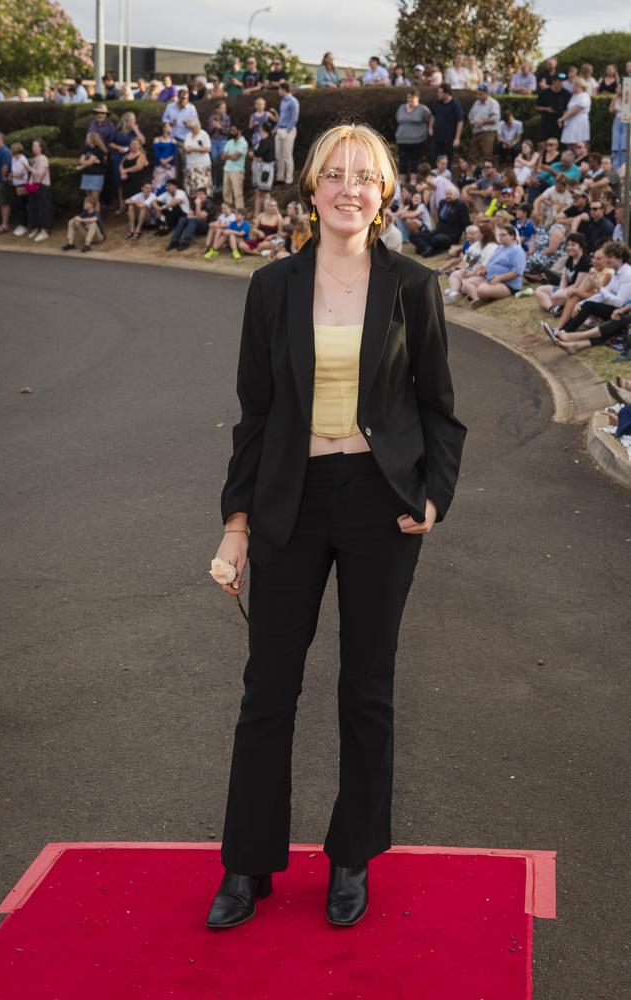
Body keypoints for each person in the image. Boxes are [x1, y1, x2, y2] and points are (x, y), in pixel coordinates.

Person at [206, 121, 466, 931]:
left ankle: (351, 856)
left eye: (365, 176)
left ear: (384, 194)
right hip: (290, 496)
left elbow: (439, 409)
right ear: (312, 187)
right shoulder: (272, 285)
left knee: (368, 684)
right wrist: (236, 524)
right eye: (334, 174)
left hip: (379, 501)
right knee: (268, 688)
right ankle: (248, 865)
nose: (349, 188)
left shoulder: (413, 287)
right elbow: (255, 415)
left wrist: (433, 495)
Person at [462, 224, 526, 307]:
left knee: (481, 289)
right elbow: (491, 263)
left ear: (512, 236)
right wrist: (484, 269)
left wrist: (500, 278)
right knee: (467, 283)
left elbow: (517, 272)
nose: (500, 237)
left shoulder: (517, 251)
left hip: (507, 284)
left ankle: (481, 296)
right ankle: (477, 300)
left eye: (503, 235)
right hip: (490, 278)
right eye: (500, 235)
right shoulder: (500, 248)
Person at [535, 232, 589, 313]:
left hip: (575, 292)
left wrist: (558, 294)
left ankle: (558, 304)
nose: (569, 247)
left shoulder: (585, 261)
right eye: (568, 245)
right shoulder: (570, 259)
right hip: (566, 290)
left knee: (555, 296)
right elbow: (563, 280)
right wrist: (559, 291)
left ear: (581, 246)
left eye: (573, 245)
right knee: (539, 290)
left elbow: (577, 285)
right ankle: (553, 309)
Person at [395, 89, 430, 184]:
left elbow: (430, 120)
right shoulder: (401, 108)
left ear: (417, 99)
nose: (410, 100)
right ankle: (401, 182)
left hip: (417, 140)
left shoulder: (423, 109)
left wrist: (428, 131)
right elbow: (398, 119)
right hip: (402, 140)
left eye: (412, 98)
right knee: (403, 161)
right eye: (409, 98)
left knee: (414, 160)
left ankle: (413, 181)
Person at [269, 82, 299, 185]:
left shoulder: (293, 101)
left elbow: (294, 118)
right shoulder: (282, 101)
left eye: (279, 89)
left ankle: (289, 179)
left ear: (284, 90)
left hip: (288, 131)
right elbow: (282, 118)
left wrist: (287, 130)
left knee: (287, 156)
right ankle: (280, 177)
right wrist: (276, 128)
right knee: (278, 155)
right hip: (280, 130)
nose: (278, 91)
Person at [25, 138, 53, 242]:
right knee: (34, 208)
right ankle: (36, 227)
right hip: (34, 187)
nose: (33, 148)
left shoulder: (43, 158)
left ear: (41, 147)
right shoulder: (35, 158)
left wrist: (29, 168)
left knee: (43, 208)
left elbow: (39, 174)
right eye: (33, 146)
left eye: (36, 146)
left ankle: (44, 230)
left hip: (42, 187)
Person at [429, 84, 464, 166]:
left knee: (447, 159)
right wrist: (430, 127)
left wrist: (457, 138)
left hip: (448, 138)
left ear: (447, 93)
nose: (438, 94)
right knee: (434, 158)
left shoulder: (455, 105)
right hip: (437, 137)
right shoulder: (437, 103)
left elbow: (460, 121)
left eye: (440, 92)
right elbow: (433, 116)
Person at [467, 84, 500, 161]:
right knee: (473, 155)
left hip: (487, 133)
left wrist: (483, 122)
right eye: (478, 94)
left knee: (487, 155)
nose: (478, 96)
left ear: (486, 94)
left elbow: (495, 118)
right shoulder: (476, 103)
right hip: (476, 132)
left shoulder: (493, 103)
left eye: (480, 94)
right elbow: (470, 115)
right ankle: (476, 172)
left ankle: (488, 171)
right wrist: (471, 121)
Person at [76, 131, 107, 209]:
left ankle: (97, 218)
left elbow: (90, 162)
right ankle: (89, 215)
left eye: (88, 138)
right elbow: (81, 160)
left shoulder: (99, 150)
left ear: (92, 139)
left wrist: (81, 167)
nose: (86, 139)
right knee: (88, 198)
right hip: (86, 175)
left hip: (96, 176)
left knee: (95, 199)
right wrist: (87, 162)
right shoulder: (86, 148)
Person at [250, 121, 275, 216]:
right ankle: (257, 214)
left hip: (265, 169)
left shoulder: (267, 141)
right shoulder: (265, 140)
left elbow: (258, 153)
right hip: (259, 168)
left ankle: (266, 214)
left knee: (265, 192)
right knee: (258, 192)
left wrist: (254, 155)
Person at [221, 123, 249, 212]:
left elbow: (235, 157)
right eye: (231, 130)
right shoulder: (229, 142)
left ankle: (240, 212)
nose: (231, 132)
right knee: (226, 192)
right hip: (227, 169)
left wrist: (228, 156)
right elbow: (222, 157)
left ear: (239, 131)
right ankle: (228, 212)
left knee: (238, 193)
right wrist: (231, 156)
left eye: (233, 130)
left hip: (237, 170)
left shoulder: (244, 143)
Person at [559, 78, 591, 151]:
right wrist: (563, 119)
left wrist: (563, 118)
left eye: (574, 85)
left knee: (579, 142)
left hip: (579, 121)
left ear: (579, 86)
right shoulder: (574, 96)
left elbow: (575, 110)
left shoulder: (584, 96)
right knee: (569, 142)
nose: (573, 87)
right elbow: (569, 109)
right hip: (571, 122)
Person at [535, 76, 569, 143]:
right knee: (543, 143)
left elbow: (567, 109)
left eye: (562, 81)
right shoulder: (545, 93)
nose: (561, 83)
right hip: (546, 122)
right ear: (554, 81)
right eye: (559, 81)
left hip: (559, 123)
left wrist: (562, 119)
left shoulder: (566, 94)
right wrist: (546, 109)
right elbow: (536, 107)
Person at [183, 118, 212, 196]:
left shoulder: (203, 134)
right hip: (190, 164)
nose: (192, 129)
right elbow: (186, 146)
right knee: (191, 188)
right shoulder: (188, 135)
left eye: (193, 128)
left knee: (202, 186)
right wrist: (185, 150)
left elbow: (208, 148)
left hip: (202, 165)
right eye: (191, 128)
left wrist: (194, 149)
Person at [9, 142, 30, 235]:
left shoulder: (23, 159)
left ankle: (24, 225)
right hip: (15, 184)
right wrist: (12, 175)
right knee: (17, 206)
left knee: (22, 206)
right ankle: (20, 224)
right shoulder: (13, 159)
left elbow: (22, 174)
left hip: (22, 185)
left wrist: (12, 175)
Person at [152, 122, 177, 191]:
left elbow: (174, 153)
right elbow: (156, 153)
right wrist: (162, 161)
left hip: (170, 166)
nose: (170, 128)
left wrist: (167, 161)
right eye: (168, 126)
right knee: (158, 184)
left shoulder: (173, 140)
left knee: (170, 183)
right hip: (159, 166)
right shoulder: (157, 140)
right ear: (164, 129)